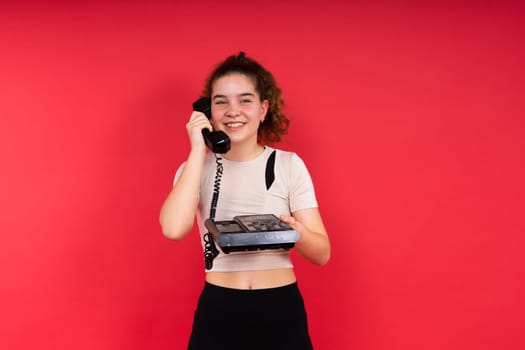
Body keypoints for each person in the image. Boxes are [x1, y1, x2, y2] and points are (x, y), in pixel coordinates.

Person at [159, 52, 330, 350]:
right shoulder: (195, 168)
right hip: (220, 310)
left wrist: (294, 233)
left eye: (245, 100)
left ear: (263, 109)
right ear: (207, 111)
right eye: (221, 101)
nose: (232, 110)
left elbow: (322, 253)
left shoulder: (288, 165)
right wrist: (199, 149)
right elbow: (173, 229)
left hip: (280, 309)